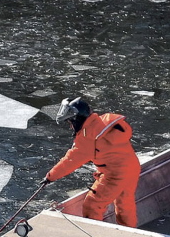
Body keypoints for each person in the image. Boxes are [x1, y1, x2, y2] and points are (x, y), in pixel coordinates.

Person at [44, 97, 140, 228]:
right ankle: (131, 232)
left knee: (92, 204)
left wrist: (50, 176)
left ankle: (96, 236)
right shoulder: (103, 123)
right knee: (125, 203)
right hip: (132, 167)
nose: (70, 126)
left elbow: (71, 160)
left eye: (70, 122)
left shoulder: (88, 136)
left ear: (77, 119)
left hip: (115, 174)